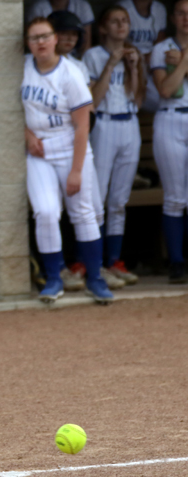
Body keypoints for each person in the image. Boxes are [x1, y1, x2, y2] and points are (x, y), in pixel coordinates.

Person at [22, 17, 113, 303]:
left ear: (55, 40)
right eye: (34, 38)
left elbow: (83, 125)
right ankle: (53, 278)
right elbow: (10, 107)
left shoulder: (70, 73)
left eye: (45, 36)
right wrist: (26, 135)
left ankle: (95, 279)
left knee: (83, 212)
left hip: (70, 146)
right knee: (46, 212)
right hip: (38, 151)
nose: (40, 42)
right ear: (28, 43)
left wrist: (76, 171)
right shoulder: (23, 67)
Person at [83, 6, 146, 286]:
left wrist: (133, 67)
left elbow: (139, 99)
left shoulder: (133, 53)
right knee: (98, 198)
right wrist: (111, 64)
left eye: (125, 21)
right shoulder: (93, 56)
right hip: (105, 124)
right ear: (103, 28)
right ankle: (93, 264)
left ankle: (114, 261)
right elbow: (93, 101)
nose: (121, 26)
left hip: (129, 123)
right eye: (114, 21)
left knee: (119, 201)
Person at [151, 0, 188, 283]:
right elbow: (166, 88)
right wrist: (185, 61)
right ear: (173, 18)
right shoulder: (162, 49)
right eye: (181, 13)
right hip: (170, 118)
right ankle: (176, 262)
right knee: (175, 197)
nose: (186, 18)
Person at [118, 0, 168, 112]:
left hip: (151, 62)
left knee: (161, 101)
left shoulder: (159, 9)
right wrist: (141, 57)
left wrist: (154, 56)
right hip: (129, 61)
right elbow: (119, 42)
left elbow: (160, 41)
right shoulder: (124, 7)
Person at [27, 0, 94, 57]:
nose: (69, 38)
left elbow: (86, 44)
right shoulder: (39, 7)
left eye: (74, 34)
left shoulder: (77, 67)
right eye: (63, 33)